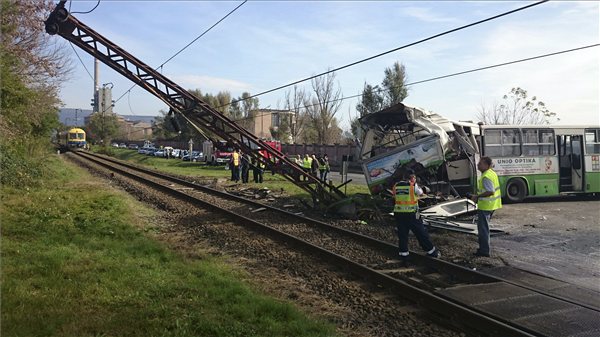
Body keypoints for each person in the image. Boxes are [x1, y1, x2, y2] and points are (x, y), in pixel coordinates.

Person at [393, 171, 440, 264]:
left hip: (399, 213)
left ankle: (404, 256)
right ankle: (431, 251)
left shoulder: (396, 186)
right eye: (414, 178)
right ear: (412, 178)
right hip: (413, 214)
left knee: (402, 235)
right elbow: (421, 192)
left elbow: (396, 196)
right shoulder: (413, 186)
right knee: (421, 232)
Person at [469, 156, 502, 257]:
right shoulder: (491, 173)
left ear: (487, 165)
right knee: (484, 228)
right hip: (491, 205)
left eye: (481, 163)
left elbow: (490, 191)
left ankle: (484, 251)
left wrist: (477, 196)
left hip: (486, 206)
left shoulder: (486, 176)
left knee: (483, 229)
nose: (478, 165)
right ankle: (484, 249)